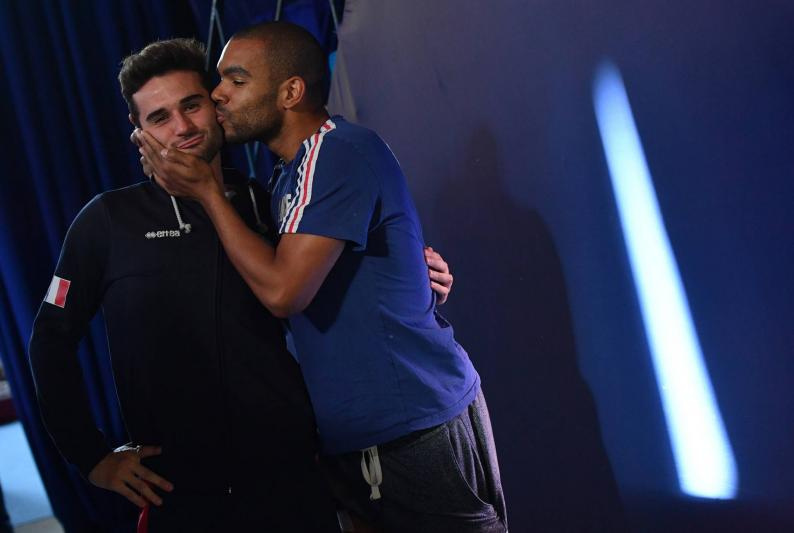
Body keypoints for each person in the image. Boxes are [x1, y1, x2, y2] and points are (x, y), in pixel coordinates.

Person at [29, 37, 453, 532]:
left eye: (192, 105)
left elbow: (319, 280)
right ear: (137, 130)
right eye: (160, 117)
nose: (182, 127)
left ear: (215, 105)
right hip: (182, 494)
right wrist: (92, 457)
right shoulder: (106, 220)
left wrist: (411, 268)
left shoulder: (265, 201)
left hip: (296, 479)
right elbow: (49, 342)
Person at [139, 22, 507, 532]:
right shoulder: (286, 176)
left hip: (411, 425)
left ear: (291, 92)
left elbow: (283, 292)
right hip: (357, 438)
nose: (217, 94)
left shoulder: (337, 152)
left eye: (236, 81)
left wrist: (205, 192)